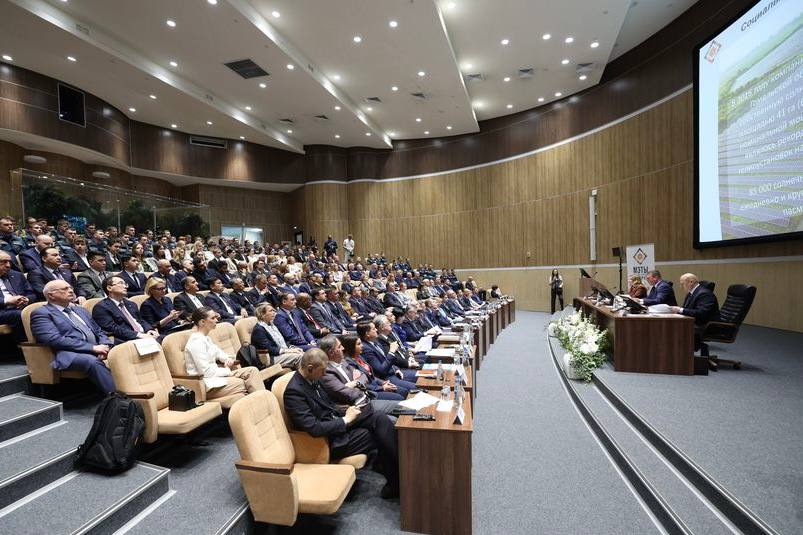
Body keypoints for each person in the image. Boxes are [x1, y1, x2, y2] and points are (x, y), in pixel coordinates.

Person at [282, 348, 399, 499]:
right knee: (379, 432)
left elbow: (329, 406)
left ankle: (394, 474)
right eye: (323, 370)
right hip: (328, 441)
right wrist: (346, 419)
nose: (325, 374)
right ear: (310, 368)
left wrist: (347, 410)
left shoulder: (312, 378)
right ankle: (397, 479)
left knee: (379, 418)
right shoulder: (294, 392)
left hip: (336, 424)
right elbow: (314, 428)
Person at [30, 280, 115, 393]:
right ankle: (118, 398)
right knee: (92, 362)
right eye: (65, 289)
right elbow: (54, 339)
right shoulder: (42, 313)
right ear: (51, 295)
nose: (71, 290)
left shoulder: (80, 310)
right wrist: (92, 348)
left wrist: (105, 345)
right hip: (70, 353)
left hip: (98, 347)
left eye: (70, 288)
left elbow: (98, 331)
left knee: (125, 350)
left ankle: (133, 388)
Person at [184, 307, 266, 400]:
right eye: (213, 318)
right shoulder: (196, 342)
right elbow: (206, 372)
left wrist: (227, 359)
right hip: (206, 384)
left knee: (252, 371)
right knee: (244, 382)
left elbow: (219, 353)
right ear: (202, 322)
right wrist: (227, 369)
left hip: (216, 376)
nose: (216, 320)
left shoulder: (206, 338)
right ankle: (263, 402)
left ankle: (263, 402)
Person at [318, 334, 401, 416]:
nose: (343, 348)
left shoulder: (343, 362)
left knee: (400, 404)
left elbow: (364, 376)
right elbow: (349, 394)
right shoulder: (327, 373)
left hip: (367, 397)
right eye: (339, 347)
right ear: (331, 352)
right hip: (356, 407)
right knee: (396, 409)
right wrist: (360, 384)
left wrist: (355, 383)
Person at [92, 276, 159, 343]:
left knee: (162, 339)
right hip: (126, 340)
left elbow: (140, 320)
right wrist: (138, 335)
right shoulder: (101, 307)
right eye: (121, 283)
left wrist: (149, 329)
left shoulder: (131, 304)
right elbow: (112, 328)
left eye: (125, 284)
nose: (125, 286)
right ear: (109, 288)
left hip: (145, 335)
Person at [358, 321, 418, 389]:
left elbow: (385, 358)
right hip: (386, 378)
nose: (376, 330)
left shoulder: (375, 341)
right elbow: (381, 371)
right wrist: (391, 351)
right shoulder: (366, 350)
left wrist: (396, 369)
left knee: (420, 375)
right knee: (416, 387)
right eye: (374, 329)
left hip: (394, 371)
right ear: (367, 334)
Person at [670, 273, 720, 350]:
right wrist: (678, 311)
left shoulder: (705, 294)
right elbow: (687, 309)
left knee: (675, 328)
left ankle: (682, 353)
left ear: (691, 282)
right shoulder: (691, 293)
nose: (681, 286)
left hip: (707, 325)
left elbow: (701, 313)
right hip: (696, 321)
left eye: (682, 284)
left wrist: (680, 309)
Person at [250, 303, 304, 368]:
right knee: (299, 357)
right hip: (271, 358)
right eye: (271, 311)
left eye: (274, 310)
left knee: (303, 353)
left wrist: (292, 348)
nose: (274, 312)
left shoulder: (272, 325)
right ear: (262, 315)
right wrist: (287, 351)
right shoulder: (259, 329)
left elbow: (283, 341)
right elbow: (269, 349)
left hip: (279, 353)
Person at [0, 251, 35, 340]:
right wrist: (6, 301)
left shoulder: (17, 275)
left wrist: (26, 299)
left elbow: (31, 293)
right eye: (3, 262)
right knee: (21, 314)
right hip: (2, 310)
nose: (8, 265)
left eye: (9, 262)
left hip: (20, 307)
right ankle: (25, 343)